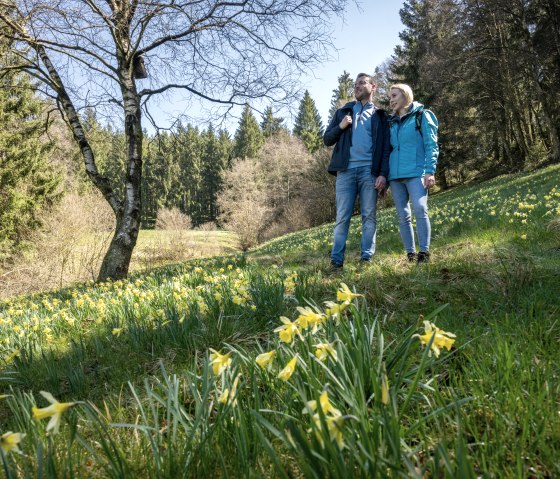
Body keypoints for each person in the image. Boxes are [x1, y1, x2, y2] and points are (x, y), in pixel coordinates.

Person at [323, 73, 390, 271]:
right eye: (356, 84)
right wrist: (342, 126)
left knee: (369, 216)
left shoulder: (380, 115)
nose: (358, 87)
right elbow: (327, 139)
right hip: (345, 172)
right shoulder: (343, 112)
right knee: (342, 217)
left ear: (373, 87)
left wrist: (383, 174)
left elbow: (386, 148)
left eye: (362, 83)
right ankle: (336, 262)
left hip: (369, 173)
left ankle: (366, 259)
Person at [387, 83, 439, 263]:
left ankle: (424, 252)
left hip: (417, 172)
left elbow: (431, 145)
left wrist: (430, 171)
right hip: (395, 176)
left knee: (420, 208)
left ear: (405, 95)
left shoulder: (422, 116)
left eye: (394, 96)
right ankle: (410, 254)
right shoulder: (390, 122)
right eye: (390, 97)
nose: (391, 100)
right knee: (403, 215)